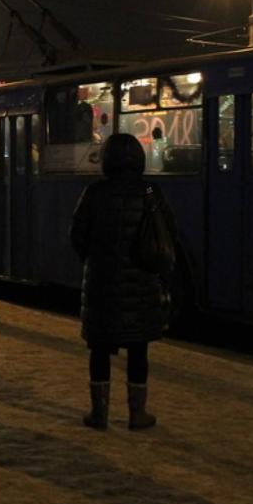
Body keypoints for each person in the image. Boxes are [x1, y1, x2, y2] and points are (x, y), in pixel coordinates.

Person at [70, 133, 176, 431]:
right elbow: (168, 236)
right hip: (141, 287)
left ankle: (99, 414)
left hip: (102, 286)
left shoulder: (94, 193)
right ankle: (137, 414)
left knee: (99, 350)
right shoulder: (150, 193)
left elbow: (77, 236)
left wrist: (97, 261)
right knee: (139, 351)